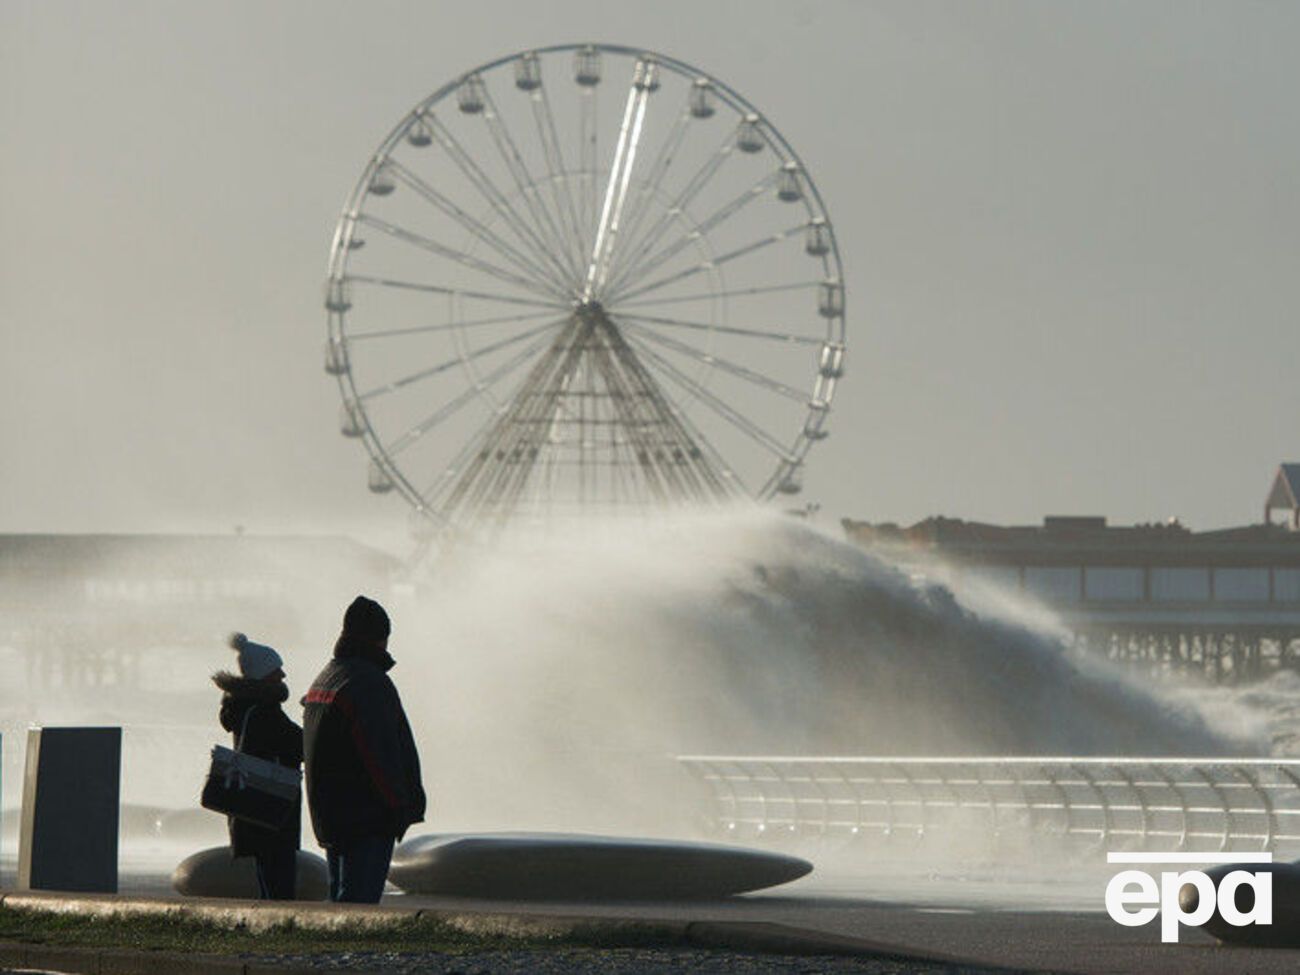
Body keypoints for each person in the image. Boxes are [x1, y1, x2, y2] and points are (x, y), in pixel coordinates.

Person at [302, 595, 426, 903]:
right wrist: (400, 805)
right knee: (359, 905)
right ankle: (346, 953)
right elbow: (380, 753)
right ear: (379, 638)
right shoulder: (368, 683)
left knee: (340, 901)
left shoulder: (327, 677)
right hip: (367, 817)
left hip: (332, 815)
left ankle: (330, 952)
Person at [212, 632, 303, 900]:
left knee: (267, 877)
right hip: (271, 808)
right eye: (277, 669)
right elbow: (297, 746)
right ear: (264, 674)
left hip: (254, 810)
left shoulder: (242, 708)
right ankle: (280, 933)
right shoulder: (264, 711)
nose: (283, 675)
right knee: (279, 881)